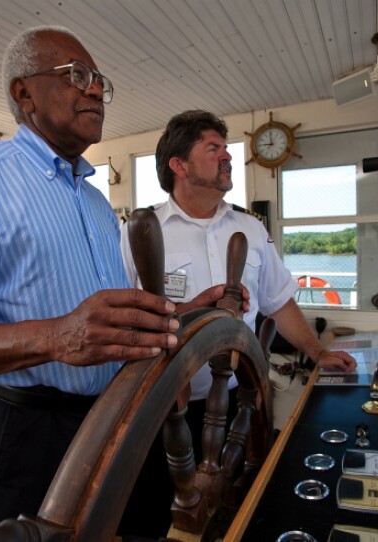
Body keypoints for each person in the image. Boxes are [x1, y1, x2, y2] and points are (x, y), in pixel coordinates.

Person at [0, 25, 180, 531]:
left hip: (116, 415)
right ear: (23, 92)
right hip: (28, 433)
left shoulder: (97, 203)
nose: (95, 89)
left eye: (99, 81)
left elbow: (102, 320)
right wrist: (59, 336)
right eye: (77, 76)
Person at [120, 110, 357, 442]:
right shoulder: (140, 233)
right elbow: (124, 318)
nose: (228, 155)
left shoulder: (251, 228)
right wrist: (190, 310)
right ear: (180, 166)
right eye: (213, 148)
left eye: (226, 148)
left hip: (239, 396)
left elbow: (279, 303)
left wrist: (318, 353)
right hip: (165, 405)